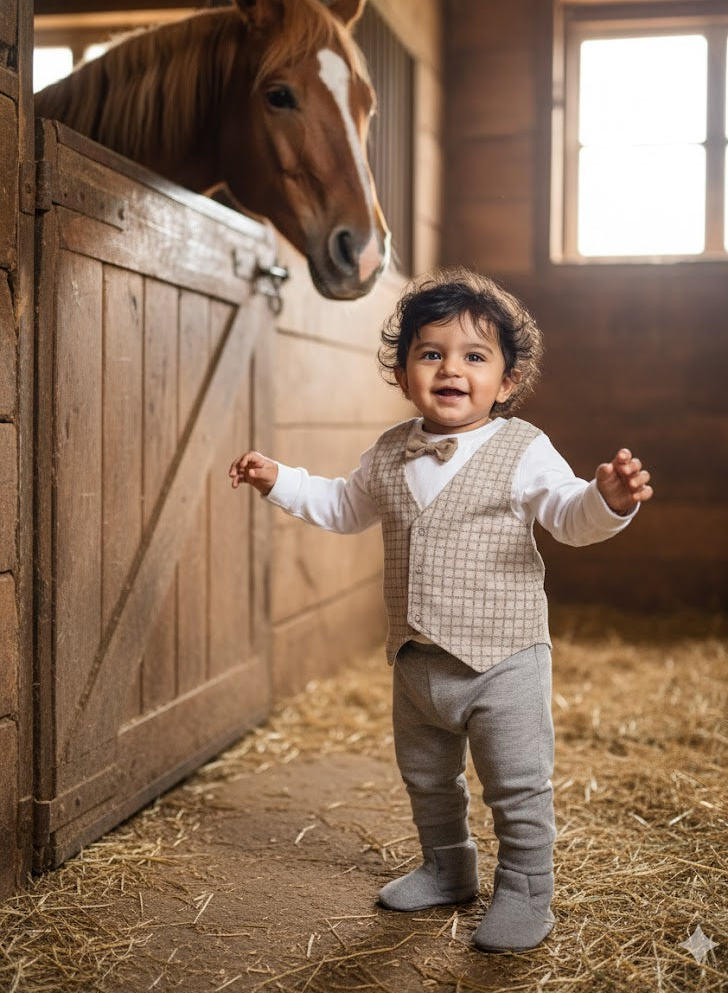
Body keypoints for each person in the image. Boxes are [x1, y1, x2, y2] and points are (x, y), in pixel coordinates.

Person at [228, 268, 653, 953]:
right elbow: (342, 505)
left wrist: (607, 500)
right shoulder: (391, 451)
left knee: (515, 787)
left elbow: (569, 518)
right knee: (427, 778)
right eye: (430, 354)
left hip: (503, 660)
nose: (450, 368)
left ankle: (524, 892)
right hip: (415, 661)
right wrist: (281, 481)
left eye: (473, 356)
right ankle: (447, 866)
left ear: (506, 381)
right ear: (402, 373)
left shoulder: (523, 450)